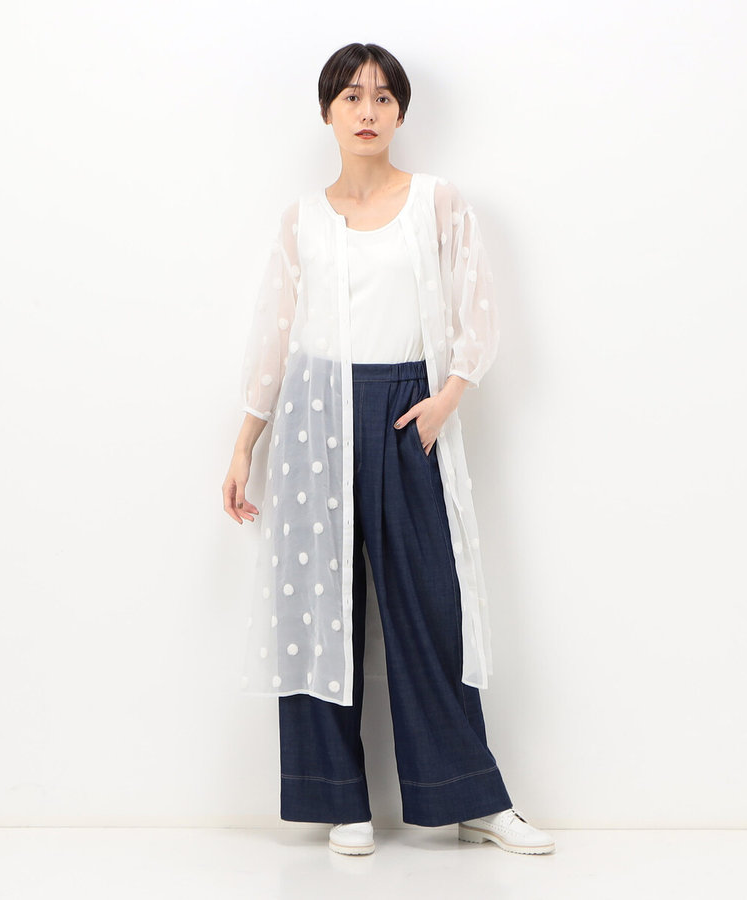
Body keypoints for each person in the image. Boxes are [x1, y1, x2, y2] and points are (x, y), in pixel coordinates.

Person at [223, 42, 555, 857]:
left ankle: (471, 797)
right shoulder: (302, 220)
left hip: (409, 411)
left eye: (381, 97)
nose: (366, 111)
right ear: (327, 112)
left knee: (432, 607)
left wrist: (447, 398)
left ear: (401, 111)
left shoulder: (436, 201)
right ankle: (339, 800)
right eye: (350, 97)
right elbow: (274, 337)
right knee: (319, 612)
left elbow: (478, 309)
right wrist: (244, 445)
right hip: (315, 416)